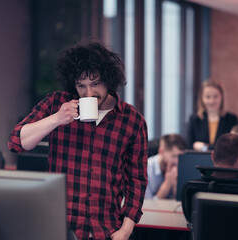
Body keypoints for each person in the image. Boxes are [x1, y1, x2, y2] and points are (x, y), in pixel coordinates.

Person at [8, 42, 148, 240]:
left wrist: (125, 231)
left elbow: (137, 181)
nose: (88, 93)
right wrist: (56, 119)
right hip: (59, 228)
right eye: (81, 86)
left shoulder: (132, 120)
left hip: (106, 230)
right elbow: (16, 142)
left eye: (95, 84)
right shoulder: (57, 104)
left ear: (109, 80)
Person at [186, 80, 237, 152]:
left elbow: (232, 146)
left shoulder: (231, 120)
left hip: (224, 161)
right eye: (207, 97)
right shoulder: (194, 120)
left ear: (221, 97)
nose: (212, 101)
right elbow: (188, 146)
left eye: (215, 96)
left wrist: (205, 147)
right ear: (202, 98)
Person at [145, 134, 186, 199]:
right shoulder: (145, 170)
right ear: (161, 151)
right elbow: (147, 205)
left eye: (180, 157)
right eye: (174, 156)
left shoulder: (180, 167)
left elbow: (180, 203)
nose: (177, 161)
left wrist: (176, 185)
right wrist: (168, 183)